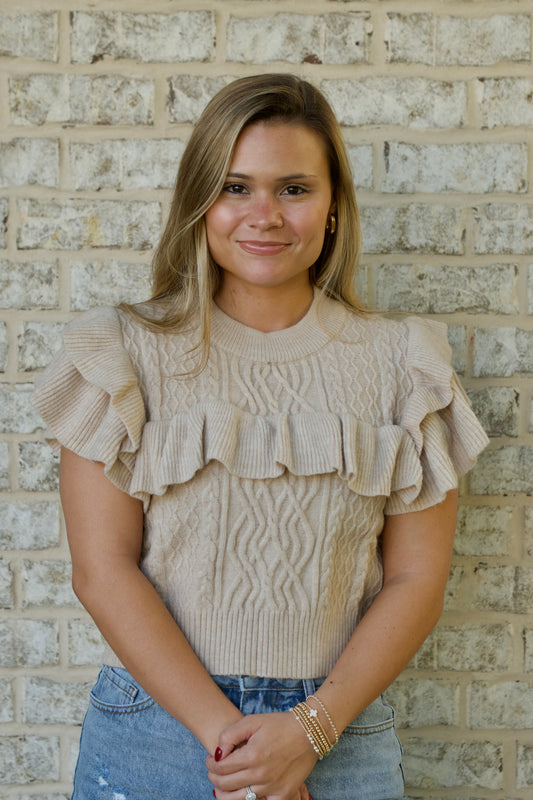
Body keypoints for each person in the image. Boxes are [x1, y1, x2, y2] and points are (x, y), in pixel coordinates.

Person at [33, 73, 489, 800]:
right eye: (235, 187)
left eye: (293, 189)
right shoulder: (121, 352)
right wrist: (240, 750)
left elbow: (415, 580)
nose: (264, 215)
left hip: (337, 734)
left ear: (333, 204)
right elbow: (102, 571)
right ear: (199, 202)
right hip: (157, 732)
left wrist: (309, 731)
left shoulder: (403, 363)